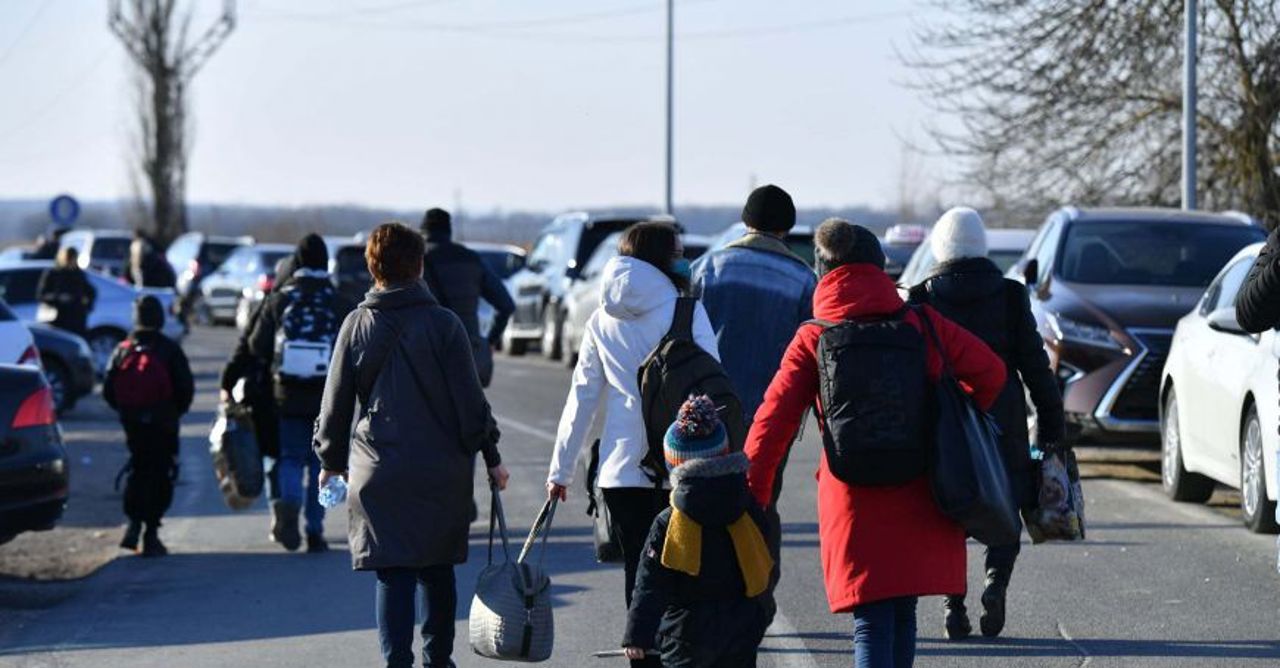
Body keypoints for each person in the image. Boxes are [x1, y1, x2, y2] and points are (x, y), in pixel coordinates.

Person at [746, 219, 1006, 668]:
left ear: (822, 271)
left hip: (852, 495)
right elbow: (992, 373)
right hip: (920, 486)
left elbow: (771, 424)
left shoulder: (814, 336)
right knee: (904, 609)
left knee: (870, 618)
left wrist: (752, 498)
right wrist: (949, 415)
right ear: (880, 267)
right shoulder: (922, 323)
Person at [314, 222, 508, 668]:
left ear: (372, 267)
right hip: (441, 468)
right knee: (437, 568)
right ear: (419, 265)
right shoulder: (445, 324)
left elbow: (336, 402)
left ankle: (396, 661)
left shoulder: (356, 325)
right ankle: (438, 659)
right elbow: (470, 402)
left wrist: (330, 460)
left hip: (379, 467)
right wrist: (491, 457)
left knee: (393, 572)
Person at [545, 221, 718, 668]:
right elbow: (715, 387)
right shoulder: (686, 311)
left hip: (621, 472)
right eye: (678, 251)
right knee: (684, 575)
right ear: (662, 258)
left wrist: (560, 471)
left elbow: (582, 397)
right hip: (682, 466)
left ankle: (643, 659)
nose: (684, 258)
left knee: (639, 578)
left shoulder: (601, 319)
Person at [907, 207, 1066, 639]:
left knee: (949, 512)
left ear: (940, 247)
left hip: (943, 428)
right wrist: (1052, 427)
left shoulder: (920, 298)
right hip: (1004, 420)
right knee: (1004, 508)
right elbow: (1036, 368)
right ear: (982, 247)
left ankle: (953, 604)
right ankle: (996, 583)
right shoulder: (1011, 296)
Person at [689, 184, 817, 603]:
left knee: (705, 501)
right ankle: (759, 593)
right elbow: (811, 350)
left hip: (710, 408)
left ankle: (710, 592)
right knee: (761, 500)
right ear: (787, 228)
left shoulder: (707, 268)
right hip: (773, 413)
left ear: (746, 222)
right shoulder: (803, 278)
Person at [622, 395, 773, 667]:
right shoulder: (745, 506)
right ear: (724, 452)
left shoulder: (670, 521)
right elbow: (764, 560)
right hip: (739, 629)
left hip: (685, 636)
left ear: (675, 464)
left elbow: (650, 584)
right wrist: (759, 615)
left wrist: (637, 636)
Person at [246, 234, 353, 553]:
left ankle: (288, 508)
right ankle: (315, 531)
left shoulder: (281, 299)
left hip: (287, 394)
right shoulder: (337, 301)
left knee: (290, 458)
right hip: (327, 397)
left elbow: (256, 344)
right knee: (322, 464)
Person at [102, 295, 194, 557]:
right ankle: (151, 532)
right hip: (163, 424)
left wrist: (127, 412)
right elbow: (185, 389)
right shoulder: (169, 350)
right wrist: (173, 412)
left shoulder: (124, 349)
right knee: (160, 473)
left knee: (139, 468)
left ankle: (133, 522)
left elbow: (109, 389)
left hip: (133, 424)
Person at [220, 256, 295, 504]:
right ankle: (310, 519)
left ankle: (279, 504)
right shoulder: (325, 305)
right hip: (314, 395)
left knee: (274, 455)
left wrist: (227, 382)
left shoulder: (271, 305)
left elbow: (247, 348)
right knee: (304, 458)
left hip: (268, 394)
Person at [420, 207, 515, 388]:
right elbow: (506, 305)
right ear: (449, 230)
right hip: (467, 352)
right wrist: (489, 342)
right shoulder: (471, 259)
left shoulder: (416, 262)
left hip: (427, 353)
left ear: (423, 231)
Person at [36, 246, 96, 337]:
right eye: (70, 259)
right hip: (57, 318)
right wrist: (58, 297)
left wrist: (85, 306)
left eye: (73, 259)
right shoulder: (54, 274)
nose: (71, 262)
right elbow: (41, 295)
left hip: (76, 318)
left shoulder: (78, 274)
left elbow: (91, 292)